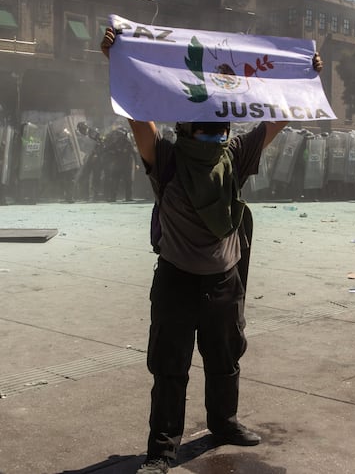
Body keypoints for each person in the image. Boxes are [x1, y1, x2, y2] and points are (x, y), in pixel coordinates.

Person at [101, 27, 323, 474]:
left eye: (219, 125)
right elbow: (137, 120)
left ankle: (224, 424)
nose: (213, 132)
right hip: (177, 279)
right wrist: (117, 60)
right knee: (170, 367)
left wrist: (306, 76)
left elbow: (275, 119)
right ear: (185, 126)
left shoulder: (235, 157)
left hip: (223, 279)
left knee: (225, 359)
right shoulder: (166, 160)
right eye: (205, 126)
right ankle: (162, 450)